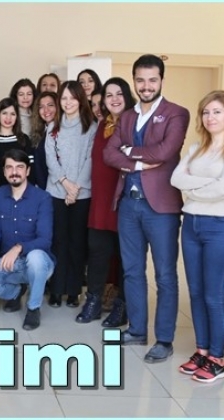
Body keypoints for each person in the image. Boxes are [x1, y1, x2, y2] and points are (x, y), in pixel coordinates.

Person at [103, 54, 190, 364]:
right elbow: (109, 153)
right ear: (134, 81)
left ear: (161, 80)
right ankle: (137, 330)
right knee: (132, 271)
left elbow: (165, 151)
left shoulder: (176, 113)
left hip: (161, 208)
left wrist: (129, 151)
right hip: (128, 204)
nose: (146, 86)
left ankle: (164, 339)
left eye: (152, 80)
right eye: (140, 80)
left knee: (165, 275)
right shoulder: (127, 117)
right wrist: (138, 162)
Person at [170, 90, 224, 382]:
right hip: (191, 223)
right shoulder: (196, 148)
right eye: (206, 112)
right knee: (195, 291)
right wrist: (207, 183)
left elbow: (221, 190)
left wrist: (194, 188)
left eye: (217, 111)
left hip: (219, 225)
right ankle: (202, 350)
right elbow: (176, 179)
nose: (210, 117)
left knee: (214, 295)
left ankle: (218, 356)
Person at [0, 149, 55, 331]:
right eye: (9, 167)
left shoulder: (42, 198)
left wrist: (19, 248)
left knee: (35, 257)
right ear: (4, 172)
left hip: (39, 265)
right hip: (10, 264)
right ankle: (16, 292)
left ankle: (33, 308)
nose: (14, 172)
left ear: (28, 171)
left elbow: (45, 240)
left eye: (19, 167)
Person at [82, 77, 135, 327]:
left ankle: (122, 306)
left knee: (125, 257)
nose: (114, 99)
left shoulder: (134, 123)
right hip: (100, 201)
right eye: (109, 95)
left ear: (127, 96)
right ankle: (93, 301)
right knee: (97, 252)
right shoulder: (102, 124)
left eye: (119, 94)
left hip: (124, 200)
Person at [45, 81, 97, 308]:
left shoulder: (91, 127)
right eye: (63, 98)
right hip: (57, 192)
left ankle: (74, 291)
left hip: (81, 194)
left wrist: (75, 189)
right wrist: (66, 184)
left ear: (80, 100)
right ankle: (56, 290)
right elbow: (50, 158)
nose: (68, 103)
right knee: (58, 242)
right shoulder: (53, 127)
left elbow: (90, 159)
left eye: (72, 98)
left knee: (77, 243)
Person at [0, 97, 34, 190]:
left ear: (17, 117)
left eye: (12, 114)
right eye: (4, 113)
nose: (8, 118)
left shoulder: (24, 139)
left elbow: (31, 168)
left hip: (20, 190)